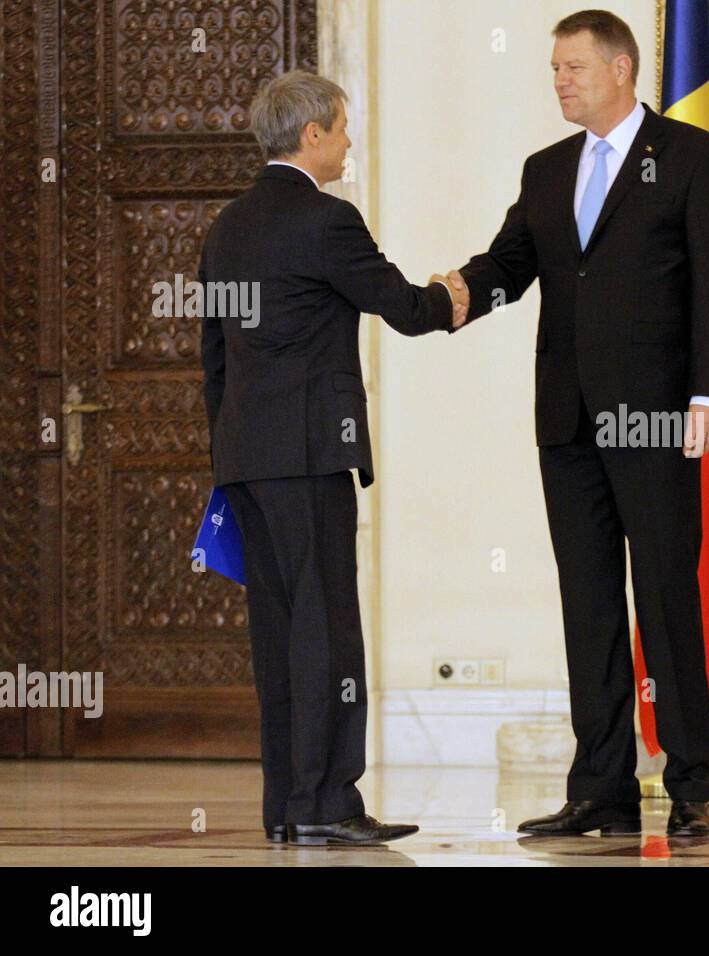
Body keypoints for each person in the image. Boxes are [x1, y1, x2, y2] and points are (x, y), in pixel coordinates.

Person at [443, 10, 709, 837]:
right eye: (554, 71)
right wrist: (454, 296)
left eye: (573, 68)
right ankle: (601, 788)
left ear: (621, 69)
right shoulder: (547, 169)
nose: (560, 82)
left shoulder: (691, 158)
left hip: (657, 420)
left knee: (666, 598)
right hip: (567, 419)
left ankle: (690, 786)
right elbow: (512, 264)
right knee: (589, 602)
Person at [199, 69, 468, 846]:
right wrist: (454, 294)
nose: (349, 141)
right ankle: (328, 802)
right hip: (311, 457)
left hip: (246, 460)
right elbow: (404, 308)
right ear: (311, 133)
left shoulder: (226, 227)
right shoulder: (326, 220)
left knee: (278, 634)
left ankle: (285, 804)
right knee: (327, 631)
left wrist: (231, 450)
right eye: (342, 127)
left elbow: (213, 358)